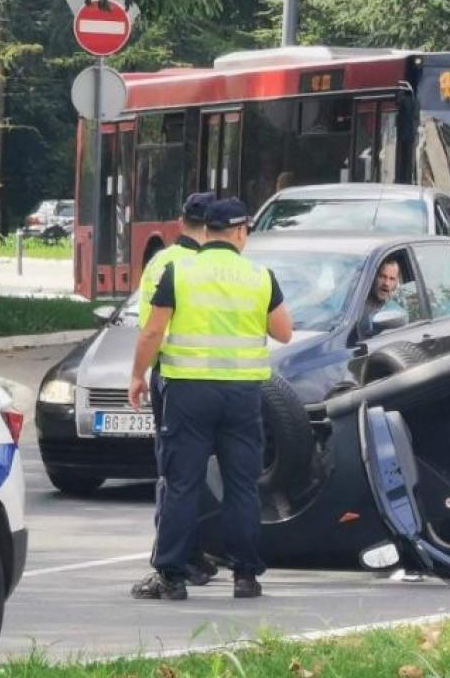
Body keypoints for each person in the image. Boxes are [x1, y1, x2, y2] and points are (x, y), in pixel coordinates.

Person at [128, 198, 293, 601]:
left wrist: (137, 375)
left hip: (188, 391)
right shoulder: (260, 276)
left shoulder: (178, 271)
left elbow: (152, 332)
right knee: (241, 485)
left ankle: (171, 575)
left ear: (205, 231)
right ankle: (245, 576)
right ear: (239, 233)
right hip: (241, 395)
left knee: (182, 483)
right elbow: (284, 332)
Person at [138, 192, 217, 587]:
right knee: (213, 474)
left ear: (179, 220)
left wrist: (140, 373)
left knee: (174, 474)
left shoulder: (161, 263)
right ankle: (201, 554)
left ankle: (176, 558)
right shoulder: (222, 266)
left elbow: (151, 328)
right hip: (227, 382)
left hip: (173, 378)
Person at [358, 258, 405, 338]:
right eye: (382, 276)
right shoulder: (353, 302)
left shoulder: (394, 310)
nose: (386, 283)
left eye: (392, 279)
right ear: (373, 277)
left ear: (396, 283)